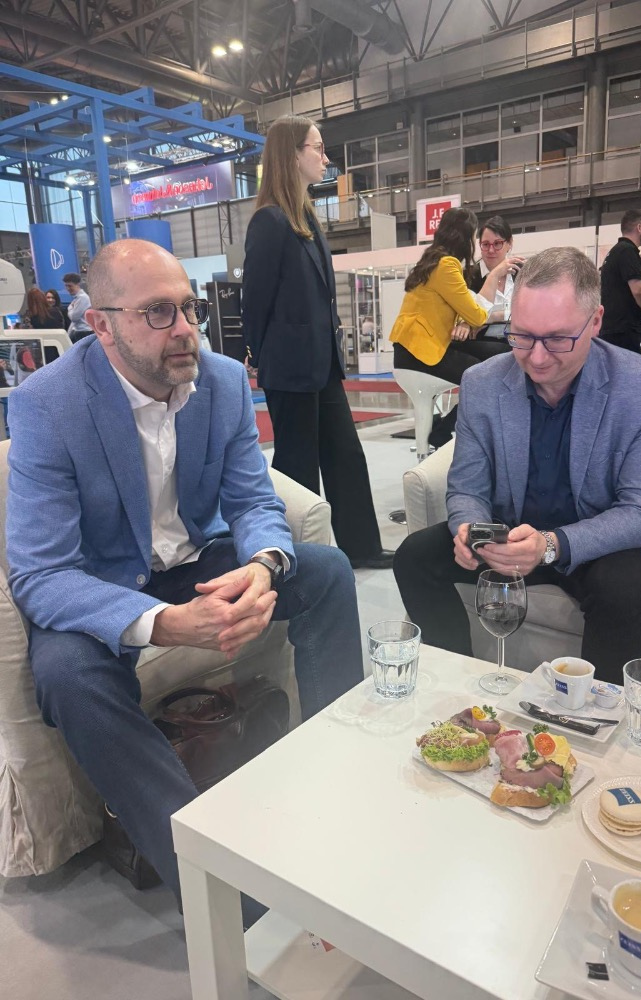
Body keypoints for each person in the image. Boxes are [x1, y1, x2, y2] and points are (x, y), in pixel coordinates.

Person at [6, 238, 364, 915]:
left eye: (189, 308)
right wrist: (164, 625)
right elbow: (43, 572)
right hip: (104, 584)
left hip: (198, 564)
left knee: (326, 573)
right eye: (158, 312)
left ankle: (337, 778)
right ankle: (216, 892)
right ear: (101, 324)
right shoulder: (48, 405)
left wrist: (263, 566)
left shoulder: (221, 382)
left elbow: (253, 501)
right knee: (67, 674)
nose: (185, 329)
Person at [393, 247, 641, 685]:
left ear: (595, 321)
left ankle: (600, 709)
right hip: (507, 535)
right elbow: (466, 487)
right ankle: (455, 685)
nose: (537, 358)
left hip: (592, 542)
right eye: (521, 337)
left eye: (557, 339)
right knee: (414, 557)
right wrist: (469, 529)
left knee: (624, 588)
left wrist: (550, 545)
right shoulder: (483, 383)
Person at [241, 114, 392, 570]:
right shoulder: (269, 221)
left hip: (322, 362)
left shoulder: (305, 216)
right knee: (298, 465)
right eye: (318, 148)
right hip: (290, 365)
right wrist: (258, 355)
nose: (326, 158)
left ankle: (361, 547)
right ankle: (300, 560)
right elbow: (255, 300)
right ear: (292, 154)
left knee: (346, 454)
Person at [390, 207, 515, 448]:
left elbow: (458, 307)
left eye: (497, 244)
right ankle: (446, 431)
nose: (487, 249)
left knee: (500, 356)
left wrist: (466, 320)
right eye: (481, 241)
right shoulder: (447, 265)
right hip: (421, 354)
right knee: (484, 376)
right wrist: (493, 277)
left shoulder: (434, 261)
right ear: (467, 237)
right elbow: (476, 315)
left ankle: (445, 430)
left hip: (419, 348)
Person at [599, 210, 641, 353]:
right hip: (624, 329)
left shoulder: (615, 252)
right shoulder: (628, 252)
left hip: (613, 327)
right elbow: (638, 291)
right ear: (639, 228)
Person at [467, 214, 525, 329]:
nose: (491, 250)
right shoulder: (468, 277)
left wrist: (494, 317)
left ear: (509, 243)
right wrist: (495, 274)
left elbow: (531, 312)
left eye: (497, 243)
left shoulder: (523, 272)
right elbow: (471, 317)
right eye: (485, 244)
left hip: (518, 337)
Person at [63, 271, 93, 342]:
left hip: (84, 332)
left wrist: (70, 308)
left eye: (70, 286)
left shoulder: (83, 298)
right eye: (66, 286)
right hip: (79, 331)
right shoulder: (77, 299)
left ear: (77, 284)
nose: (68, 289)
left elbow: (74, 318)